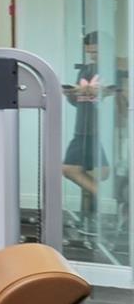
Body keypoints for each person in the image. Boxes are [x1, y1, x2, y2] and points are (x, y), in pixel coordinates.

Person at [63, 32, 109, 213]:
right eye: (90, 52)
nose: (92, 56)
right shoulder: (85, 70)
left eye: (95, 52)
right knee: (90, 173)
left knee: (70, 169)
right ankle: (88, 218)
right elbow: (78, 102)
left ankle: (104, 197)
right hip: (82, 128)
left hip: (98, 129)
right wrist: (71, 94)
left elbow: (110, 94)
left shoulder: (110, 70)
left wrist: (96, 92)